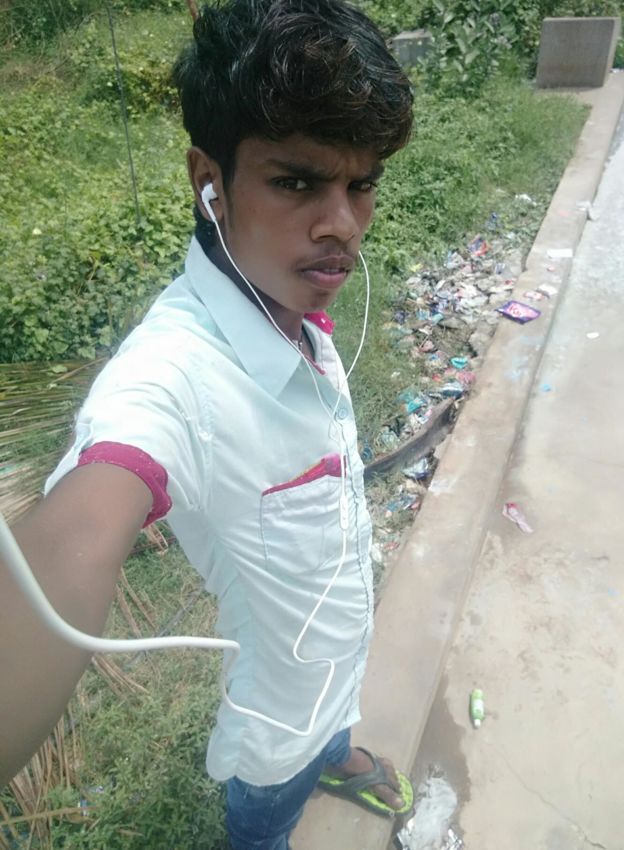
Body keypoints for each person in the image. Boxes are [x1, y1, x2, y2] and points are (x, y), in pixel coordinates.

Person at [0, 0, 414, 846]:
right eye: (296, 182)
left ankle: (339, 751)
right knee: (266, 819)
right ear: (209, 180)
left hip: (337, 666)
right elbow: (92, 506)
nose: (342, 225)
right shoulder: (173, 376)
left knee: (334, 710)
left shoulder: (286, 298)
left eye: (362, 184)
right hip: (276, 727)